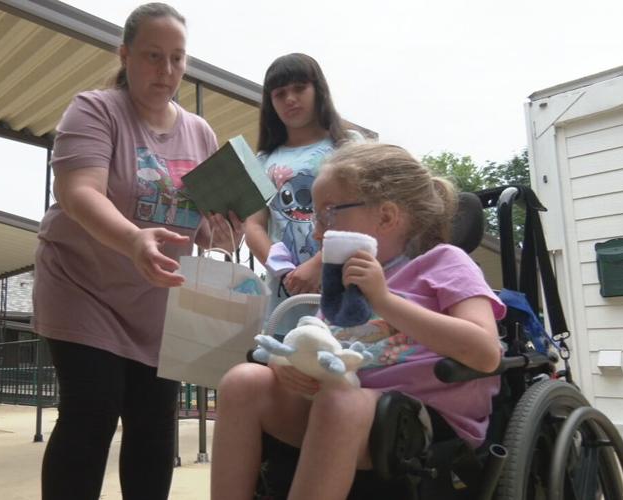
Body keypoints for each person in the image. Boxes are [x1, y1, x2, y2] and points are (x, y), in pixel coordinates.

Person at [211, 143, 506, 500]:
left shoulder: (445, 263)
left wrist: (383, 300)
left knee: (339, 404)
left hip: (423, 419)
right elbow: (316, 341)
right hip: (338, 404)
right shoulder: (344, 278)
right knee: (243, 381)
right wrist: (284, 362)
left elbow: (485, 353)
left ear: (385, 217)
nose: (318, 233)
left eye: (328, 215)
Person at [32, 4, 240, 499]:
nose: (166, 71)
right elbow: (78, 192)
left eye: (176, 59)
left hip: (157, 300)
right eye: (152, 56)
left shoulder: (200, 132)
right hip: (84, 286)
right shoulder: (95, 109)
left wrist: (219, 231)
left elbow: (201, 226)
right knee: (93, 409)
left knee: (154, 422)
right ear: (125, 55)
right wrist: (132, 238)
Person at [243, 53, 362, 337]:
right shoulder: (263, 160)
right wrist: (285, 271)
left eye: (299, 88)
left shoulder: (349, 145)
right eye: (280, 93)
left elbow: (363, 214)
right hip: (284, 305)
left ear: (318, 89)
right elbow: (253, 225)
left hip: (346, 291)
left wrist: (319, 264)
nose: (290, 99)